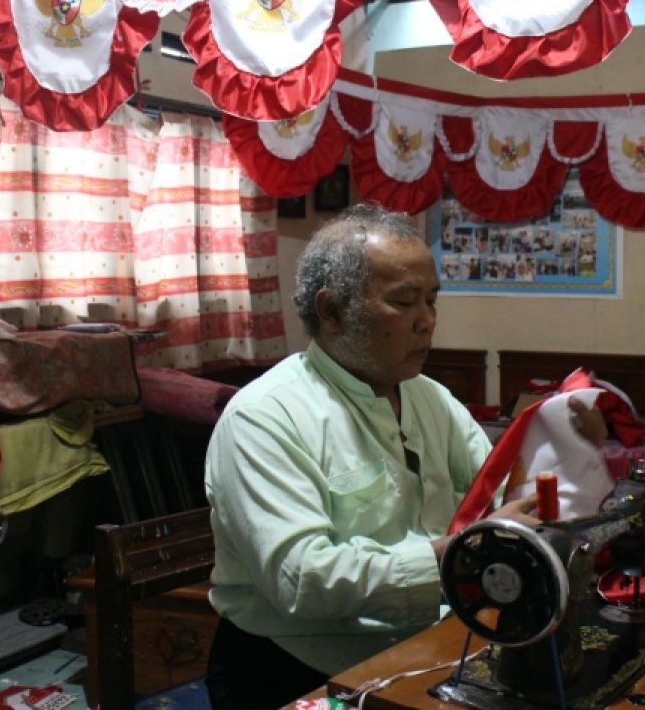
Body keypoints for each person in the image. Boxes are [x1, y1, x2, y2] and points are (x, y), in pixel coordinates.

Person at [203, 204, 603, 709]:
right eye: (405, 302)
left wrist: (569, 450)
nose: (427, 322)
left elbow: (499, 497)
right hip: (297, 667)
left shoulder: (426, 397)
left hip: (422, 646)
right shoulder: (264, 417)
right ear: (332, 311)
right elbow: (303, 579)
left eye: (433, 301)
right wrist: (455, 557)